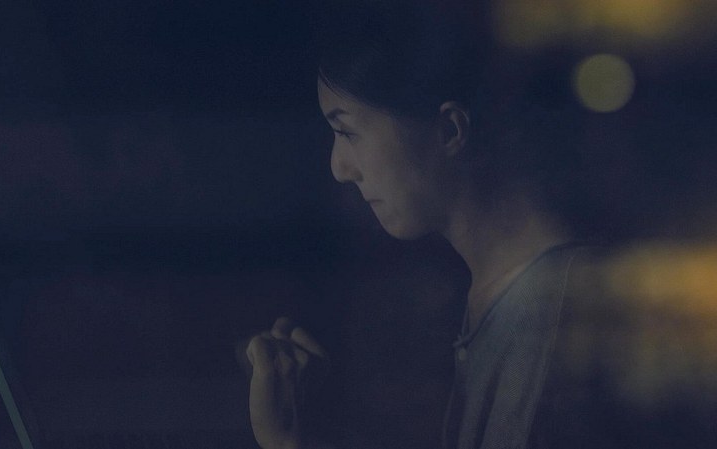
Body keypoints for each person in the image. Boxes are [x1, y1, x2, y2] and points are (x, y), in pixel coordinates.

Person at [244, 1, 598, 448]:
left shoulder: (553, 308)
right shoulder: (502, 295)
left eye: (347, 131)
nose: (338, 167)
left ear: (449, 130)